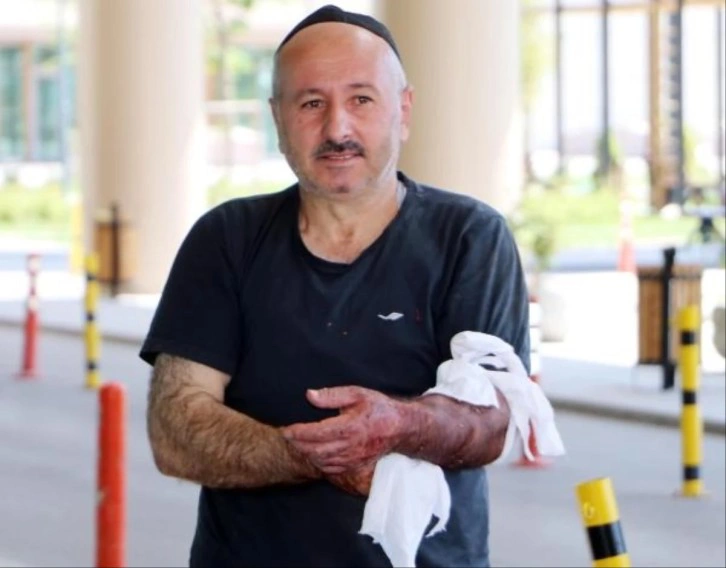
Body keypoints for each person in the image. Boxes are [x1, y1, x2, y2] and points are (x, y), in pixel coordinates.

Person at [140, 4, 530, 567]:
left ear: (403, 110)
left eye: (361, 99)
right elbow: (176, 430)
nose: (337, 129)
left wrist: (399, 424)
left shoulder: (469, 237)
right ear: (278, 118)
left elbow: (489, 425)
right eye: (311, 103)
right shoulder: (226, 238)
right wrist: (318, 454)